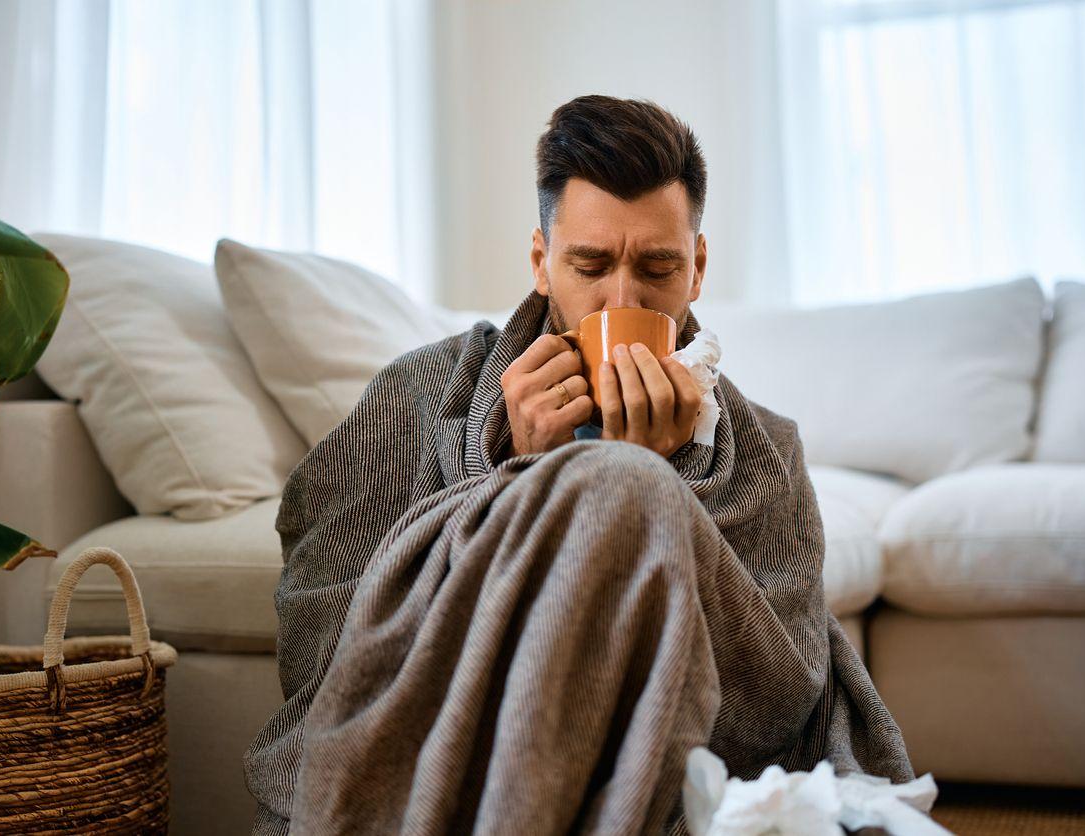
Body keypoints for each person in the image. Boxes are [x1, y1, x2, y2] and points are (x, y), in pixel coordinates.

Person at [245, 94, 914, 835]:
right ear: (541, 262)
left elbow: (773, 712)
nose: (618, 299)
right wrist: (520, 479)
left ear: (697, 269)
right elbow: (321, 645)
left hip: (663, 768)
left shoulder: (767, 456)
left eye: (657, 267)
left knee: (626, 487)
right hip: (457, 744)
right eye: (589, 265)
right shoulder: (415, 397)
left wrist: (659, 491)